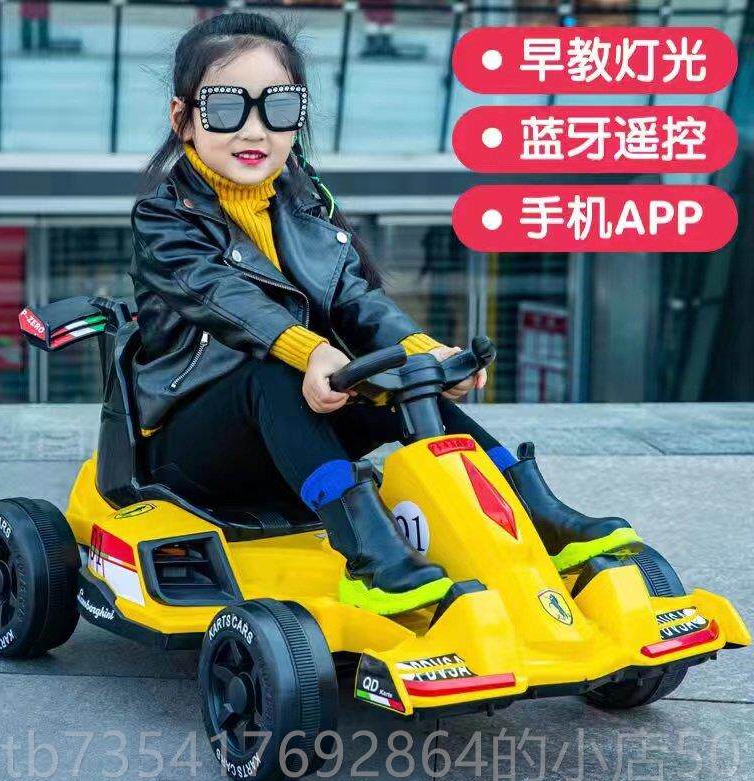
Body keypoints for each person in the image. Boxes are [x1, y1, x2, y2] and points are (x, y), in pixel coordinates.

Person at [130, 11, 642, 616]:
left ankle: (533, 514)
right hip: (194, 450)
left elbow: (357, 301)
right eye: (226, 108)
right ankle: (370, 558)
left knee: (411, 389)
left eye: (278, 107)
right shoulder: (162, 219)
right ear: (183, 118)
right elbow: (224, 297)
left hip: (298, 430)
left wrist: (426, 355)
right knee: (269, 373)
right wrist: (312, 352)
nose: (255, 129)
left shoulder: (306, 206)